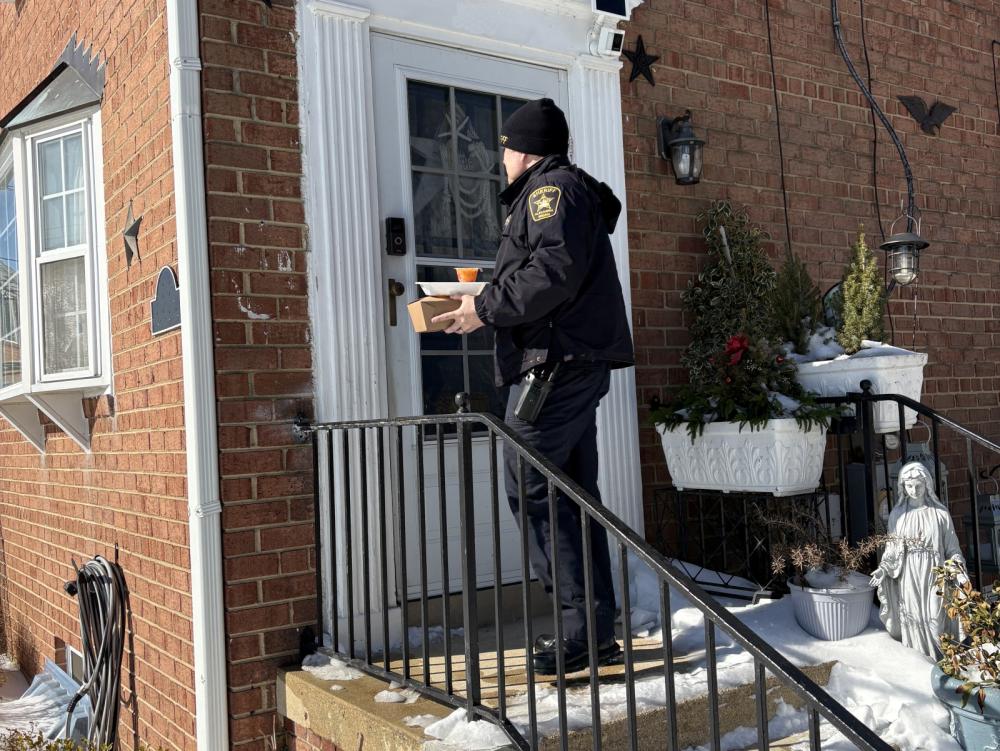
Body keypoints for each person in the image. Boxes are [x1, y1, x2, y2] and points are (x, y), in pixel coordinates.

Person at [432, 98, 634, 675]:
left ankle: (582, 628)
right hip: (565, 359)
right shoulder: (557, 193)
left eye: (504, 148)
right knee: (567, 491)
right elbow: (544, 269)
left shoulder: (552, 192)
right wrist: (481, 298)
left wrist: (485, 309)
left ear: (525, 149)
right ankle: (590, 627)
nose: (500, 158)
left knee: (531, 483)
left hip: (556, 364)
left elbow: (552, 271)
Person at [870, 461, 965, 660]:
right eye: (909, 486)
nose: (914, 490)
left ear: (927, 484)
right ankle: (920, 664)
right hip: (909, 575)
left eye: (918, 485)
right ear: (902, 487)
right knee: (913, 620)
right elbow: (892, 550)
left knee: (935, 619)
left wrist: (956, 565)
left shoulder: (939, 514)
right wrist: (884, 569)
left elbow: (952, 548)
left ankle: (943, 661)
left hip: (934, 574)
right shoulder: (898, 515)